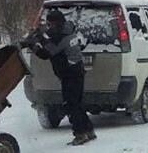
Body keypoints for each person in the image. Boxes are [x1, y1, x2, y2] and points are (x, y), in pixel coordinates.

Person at [21, 9, 96, 146]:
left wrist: (34, 43)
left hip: (70, 75)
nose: (50, 27)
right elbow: (51, 40)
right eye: (48, 24)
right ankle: (89, 130)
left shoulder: (63, 37)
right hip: (76, 72)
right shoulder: (67, 31)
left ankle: (80, 134)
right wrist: (40, 35)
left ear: (59, 23)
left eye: (51, 24)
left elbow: (48, 52)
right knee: (77, 104)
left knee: (71, 105)